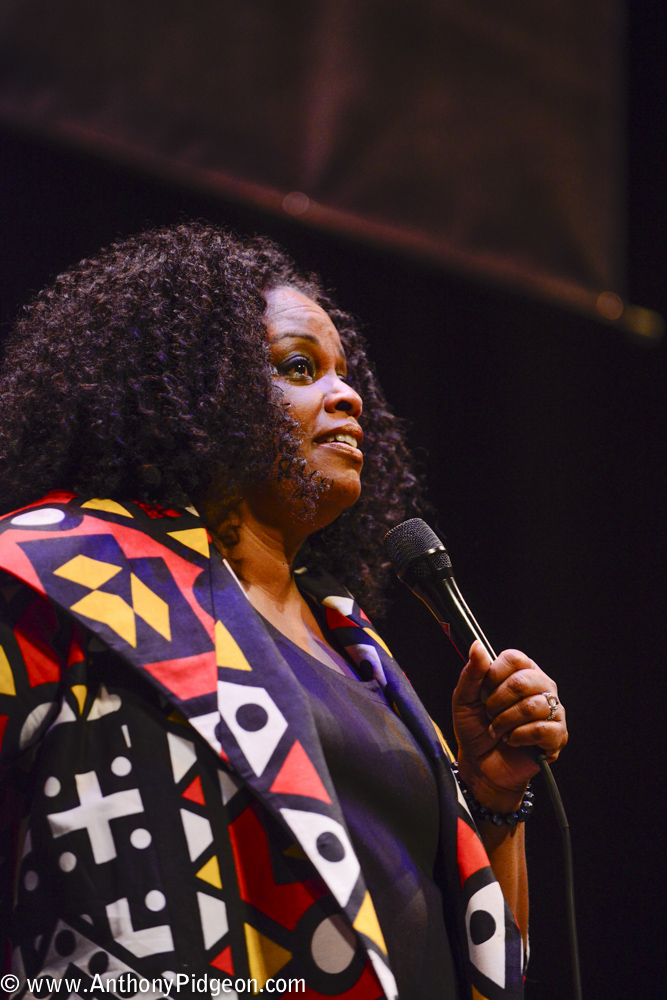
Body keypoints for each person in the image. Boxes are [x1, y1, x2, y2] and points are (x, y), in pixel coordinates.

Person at [0, 222, 567, 1000]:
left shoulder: (356, 650)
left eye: (345, 372)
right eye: (299, 368)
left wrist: (494, 797)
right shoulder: (58, 577)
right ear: (196, 391)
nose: (348, 395)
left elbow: (483, 958)